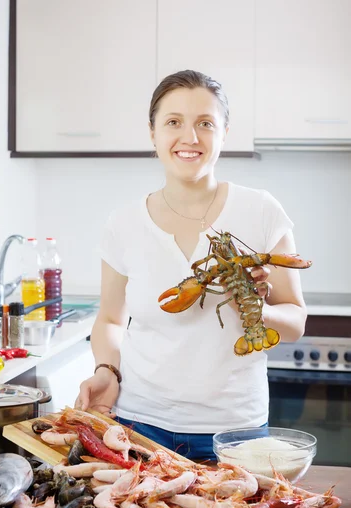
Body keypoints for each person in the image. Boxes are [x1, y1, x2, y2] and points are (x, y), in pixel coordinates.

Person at [74, 70, 307, 460]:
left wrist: (258, 310)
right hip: (139, 423)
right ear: (152, 132)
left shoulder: (262, 211)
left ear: (224, 132)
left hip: (238, 431)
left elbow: (296, 323)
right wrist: (106, 371)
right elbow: (111, 321)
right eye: (173, 122)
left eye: (205, 123)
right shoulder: (123, 224)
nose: (190, 137)